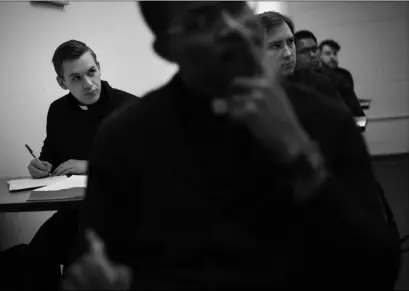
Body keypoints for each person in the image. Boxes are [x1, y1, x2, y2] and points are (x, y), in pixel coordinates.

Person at [64, 2, 400, 290]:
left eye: (235, 6)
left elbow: (378, 268)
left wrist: (300, 156)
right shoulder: (126, 138)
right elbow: (95, 262)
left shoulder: (323, 119)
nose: (233, 28)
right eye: (202, 20)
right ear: (167, 48)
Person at [24, 39, 138, 291]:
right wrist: (41, 165)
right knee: (36, 256)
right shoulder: (57, 110)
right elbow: (51, 153)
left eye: (91, 72)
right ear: (62, 82)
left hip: (121, 214)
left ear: (99, 67)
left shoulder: (130, 107)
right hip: (74, 211)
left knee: (81, 265)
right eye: (75, 78)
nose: (88, 84)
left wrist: (90, 165)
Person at [257, 11, 341, 103]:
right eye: (275, 46)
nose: (288, 54)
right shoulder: (245, 97)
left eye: (290, 41)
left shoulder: (319, 85)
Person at [294, 30, 365, 117]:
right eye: (304, 51)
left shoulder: (336, 80)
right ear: (293, 55)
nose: (312, 55)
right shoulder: (287, 83)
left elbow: (356, 113)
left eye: (314, 49)